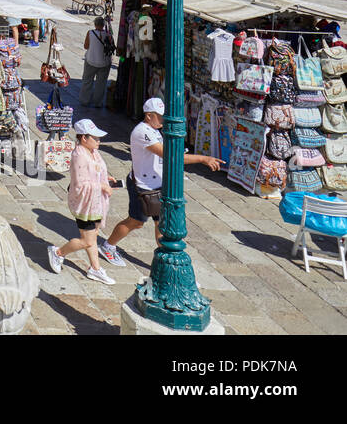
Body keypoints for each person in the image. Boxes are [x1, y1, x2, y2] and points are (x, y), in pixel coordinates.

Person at [99, 99, 222, 267]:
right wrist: (202, 158)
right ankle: (108, 246)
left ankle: (165, 262)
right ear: (149, 116)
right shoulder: (142, 132)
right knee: (136, 222)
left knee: (161, 224)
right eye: (160, 117)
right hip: (142, 186)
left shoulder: (155, 130)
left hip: (157, 184)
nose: (163, 121)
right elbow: (169, 155)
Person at [46, 119, 118, 285]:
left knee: (92, 236)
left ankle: (95, 268)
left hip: (95, 202)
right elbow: (80, 182)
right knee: (87, 240)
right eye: (95, 138)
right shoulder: (79, 155)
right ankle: (58, 252)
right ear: (84, 138)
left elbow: (94, 171)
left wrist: (106, 178)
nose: (99, 141)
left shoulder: (93, 151)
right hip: (84, 203)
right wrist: (101, 185)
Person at [79, 17, 114, 110]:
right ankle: (98, 103)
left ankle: (85, 101)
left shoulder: (90, 33)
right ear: (103, 25)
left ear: (95, 24)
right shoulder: (108, 34)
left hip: (91, 60)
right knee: (101, 83)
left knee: (87, 81)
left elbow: (86, 46)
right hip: (105, 62)